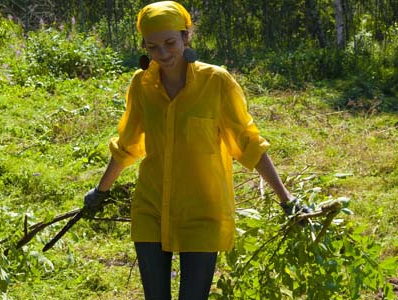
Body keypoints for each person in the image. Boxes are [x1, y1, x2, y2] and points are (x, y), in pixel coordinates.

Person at [82, 1, 310, 299]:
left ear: (185, 37)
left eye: (169, 43)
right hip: (151, 207)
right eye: (152, 47)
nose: (162, 54)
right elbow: (127, 145)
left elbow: (248, 142)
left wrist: (286, 200)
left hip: (202, 210)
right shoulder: (141, 85)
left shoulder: (216, 82)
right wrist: (101, 191)